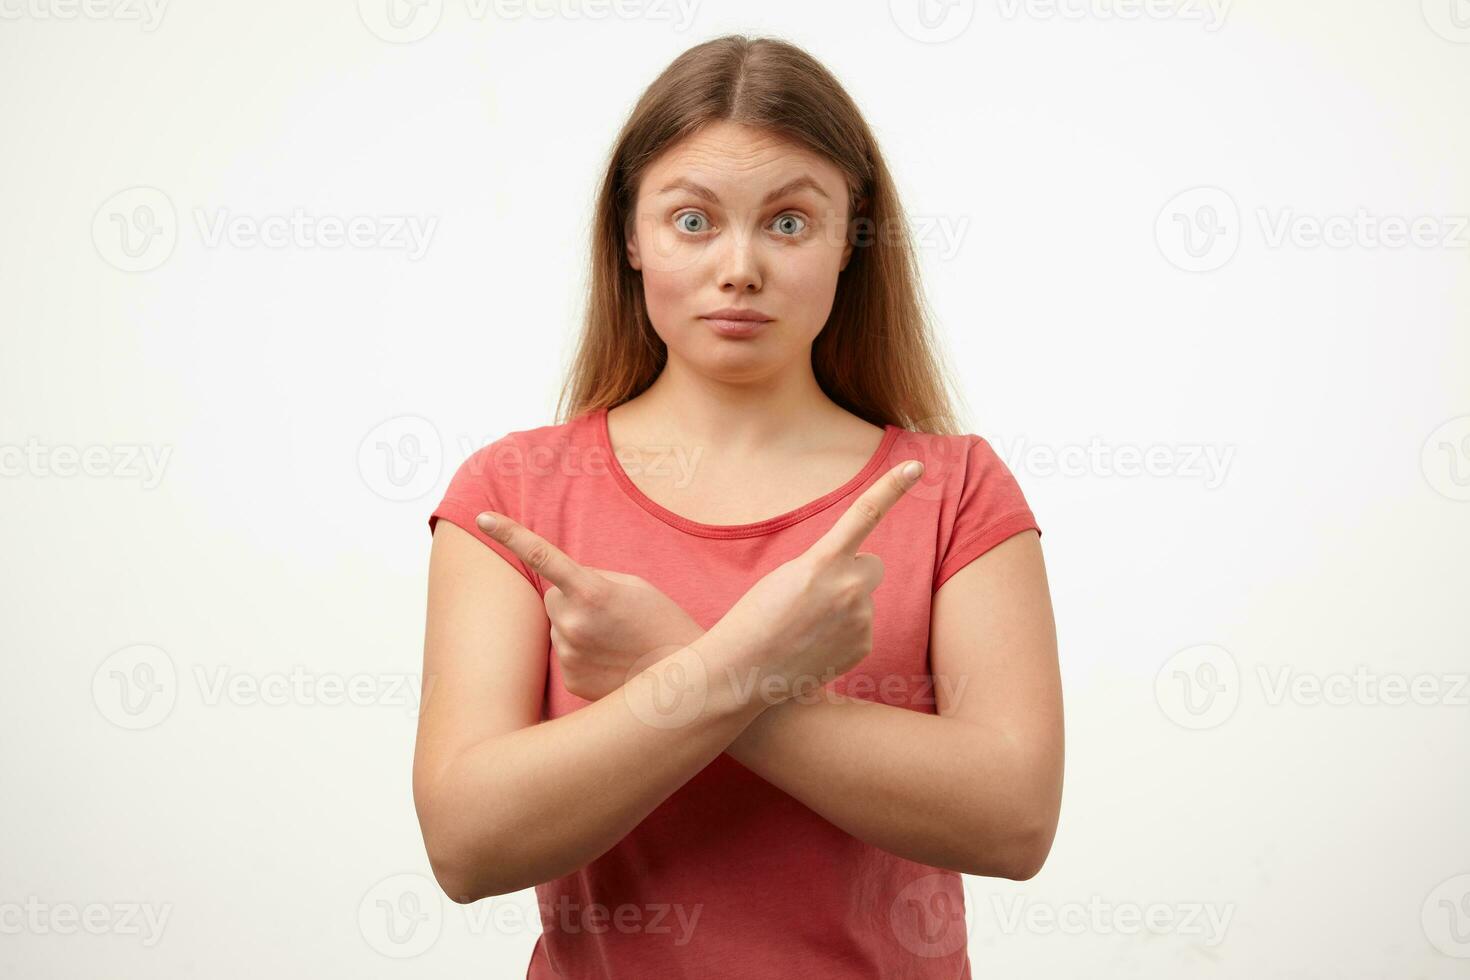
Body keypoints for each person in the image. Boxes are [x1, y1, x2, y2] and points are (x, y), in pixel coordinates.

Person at [413, 33, 1063, 979]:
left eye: (790, 223)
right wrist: (743, 663)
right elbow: (466, 846)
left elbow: (1014, 819)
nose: (740, 267)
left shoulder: (956, 490)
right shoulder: (512, 494)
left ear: (852, 239)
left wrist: (672, 663)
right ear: (629, 237)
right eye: (692, 220)